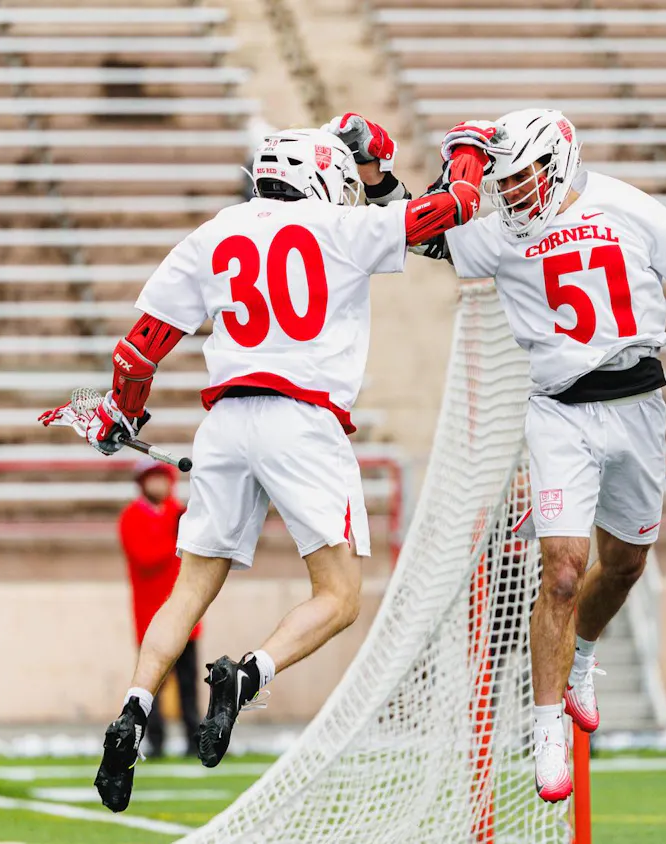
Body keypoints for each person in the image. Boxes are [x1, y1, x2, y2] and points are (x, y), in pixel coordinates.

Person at [64, 115, 493, 812]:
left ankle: (134, 710)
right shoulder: (340, 230)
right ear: (322, 177)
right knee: (339, 597)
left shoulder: (215, 233)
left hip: (225, 422)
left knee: (188, 591)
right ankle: (249, 674)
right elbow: (453, 208)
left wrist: (126, 413)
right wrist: (469, 149)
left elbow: (136, 351)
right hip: (304, 420)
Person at [416, 108, 666, 802]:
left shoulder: (624, 204)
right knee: (562, 572)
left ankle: (584, 658)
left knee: (624, 566)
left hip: (638, 405)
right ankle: (545, 729)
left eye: (523, 175)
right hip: (558, 410)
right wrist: (450, 174)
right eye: (502, 181)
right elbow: (417, 232)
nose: (513, 192)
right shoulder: (500, 229)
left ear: (558, 161)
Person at [118, 458, 200, 759]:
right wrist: (174, 536)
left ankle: (195, 737)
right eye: (153, 480)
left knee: (190, 683)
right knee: (153, 682)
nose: (159, 485)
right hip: (151, 615)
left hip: (185, 613)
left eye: (163, 479)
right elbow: (144, 557)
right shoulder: (131, 517)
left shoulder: (179, 514)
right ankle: (154, 740)